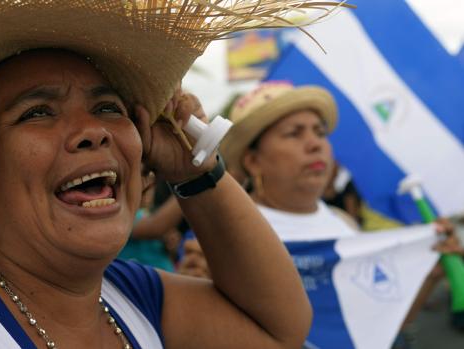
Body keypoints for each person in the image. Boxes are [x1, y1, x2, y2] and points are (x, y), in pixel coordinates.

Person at [0, 2, 354, 348]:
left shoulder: (133, 296)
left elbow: (279, 330)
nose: (93, 131)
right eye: (37, 113)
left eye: (109, 108)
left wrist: (192, 166)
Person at [178, 81, 464, 346]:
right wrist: (195, 292)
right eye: (294, 133)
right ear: (253, 161)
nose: (316, 144)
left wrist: (430, 271)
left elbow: (375, 325)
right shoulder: (218, 232)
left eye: (320, 132)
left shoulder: (344, 223)